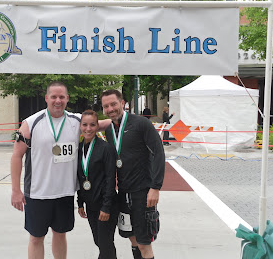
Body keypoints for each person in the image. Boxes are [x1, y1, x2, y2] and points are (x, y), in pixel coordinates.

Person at [10, 81, 110, 259]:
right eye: (54, 97)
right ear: (46, 98)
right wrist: (16, 191)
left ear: (67, 99)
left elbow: (100, 124)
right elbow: (16, 156)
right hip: (38, 193)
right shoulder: (31, 123)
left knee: (60, 234)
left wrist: (123, 118)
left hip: (64, 193)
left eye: (62, 97)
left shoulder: (76, 121)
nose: (58, 100)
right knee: (36, 238)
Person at [101, 90, 165, 259]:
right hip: (123, 192)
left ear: (122, 103)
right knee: (133, 238)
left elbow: (158, 153)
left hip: (142, 192)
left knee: (144, 242)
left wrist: (155, 187)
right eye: (106, 106)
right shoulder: (109, 131)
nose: (110, 108)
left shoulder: (141, 124)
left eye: (113, 104)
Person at [77, 110, 118, 259]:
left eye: (92, 125)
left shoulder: (105, 148)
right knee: (99, 241)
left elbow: (110, 179)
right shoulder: (79, 148)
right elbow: (81, 177)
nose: (88, 128)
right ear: (80, 126)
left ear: (97, 126)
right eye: (85, 124)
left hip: (106, 205)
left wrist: (106, 207)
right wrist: (80, 202)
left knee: (105, 244)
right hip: (91, 205)